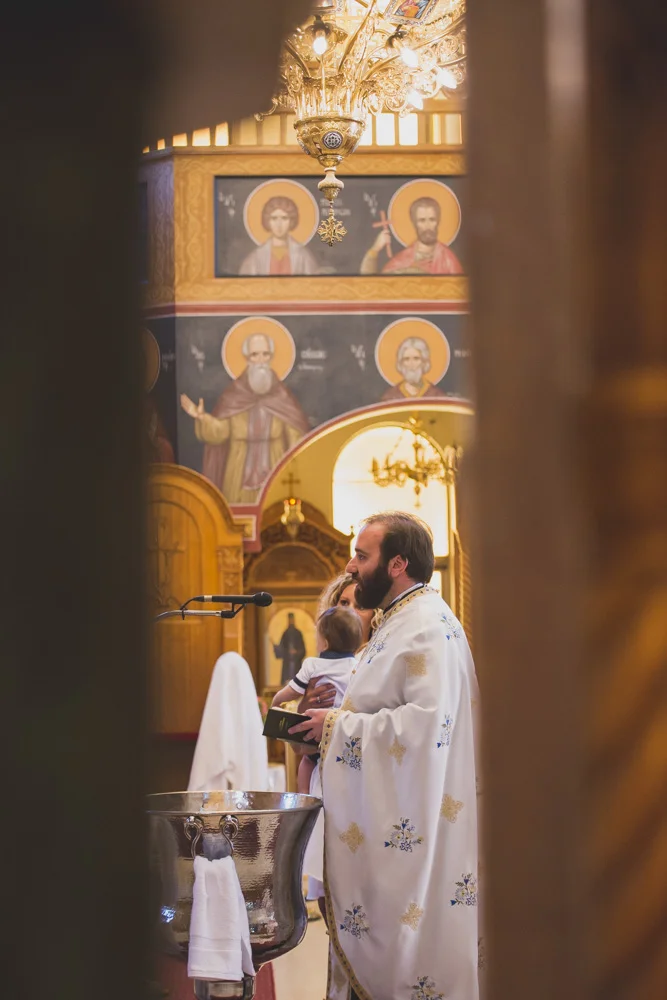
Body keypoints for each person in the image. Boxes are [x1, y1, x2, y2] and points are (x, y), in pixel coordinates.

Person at [290, 512, 480, 1000]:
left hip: (414, 839)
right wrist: (325, 726)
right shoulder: (400, 622)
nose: (350, 567)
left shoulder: (426, 628)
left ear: (397, 564)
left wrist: (335, 728)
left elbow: (426, 731)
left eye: (361, 555)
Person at [272, 606, 363, 913]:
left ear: (323, 641)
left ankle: (305, 806)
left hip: (319, 745)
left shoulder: (312, 665)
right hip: (347, 747)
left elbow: (287, 694)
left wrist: (277, 702)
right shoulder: (358, 666)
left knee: (308, 764)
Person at [180, 332, 310, 503]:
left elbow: (295, 436)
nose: (261, 360)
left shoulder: (282, 396)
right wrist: (202, 417)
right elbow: (220, 433)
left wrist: (298, 462)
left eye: (265, 354)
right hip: (238, 470)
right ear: (247, 359)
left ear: (271, 357)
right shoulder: (234, 396)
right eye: (254, 354)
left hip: (274, 465)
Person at [361, 195, 463, 275]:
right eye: (422, 220)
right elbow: (373, 286)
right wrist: (375, 248)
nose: (427, 226)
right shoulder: (401, 260)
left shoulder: (448, 259)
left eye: (432, 219)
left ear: (438, 221)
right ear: (414, 223)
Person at [240, 196, 319, 275]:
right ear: (267, 220)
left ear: (291, 221)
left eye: (284, 218)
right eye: (274, 218)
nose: (279, 224)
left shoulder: (303, 256)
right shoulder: (255, 258)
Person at [381, 336, 447, 401]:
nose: (411, 364)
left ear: (424, 362)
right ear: (401, 363)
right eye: (406, 359)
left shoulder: (436, 395)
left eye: (416, 358)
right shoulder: (391, 396)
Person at [273, 612, 307, 684]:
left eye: (292, 620)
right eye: (289, 620)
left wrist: (296, 652)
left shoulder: (298, 633)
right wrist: (276, 648)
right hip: (287, 664)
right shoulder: (285, 633)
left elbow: (303, 650)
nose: (291, 621)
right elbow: (281, 648)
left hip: (296, 663)